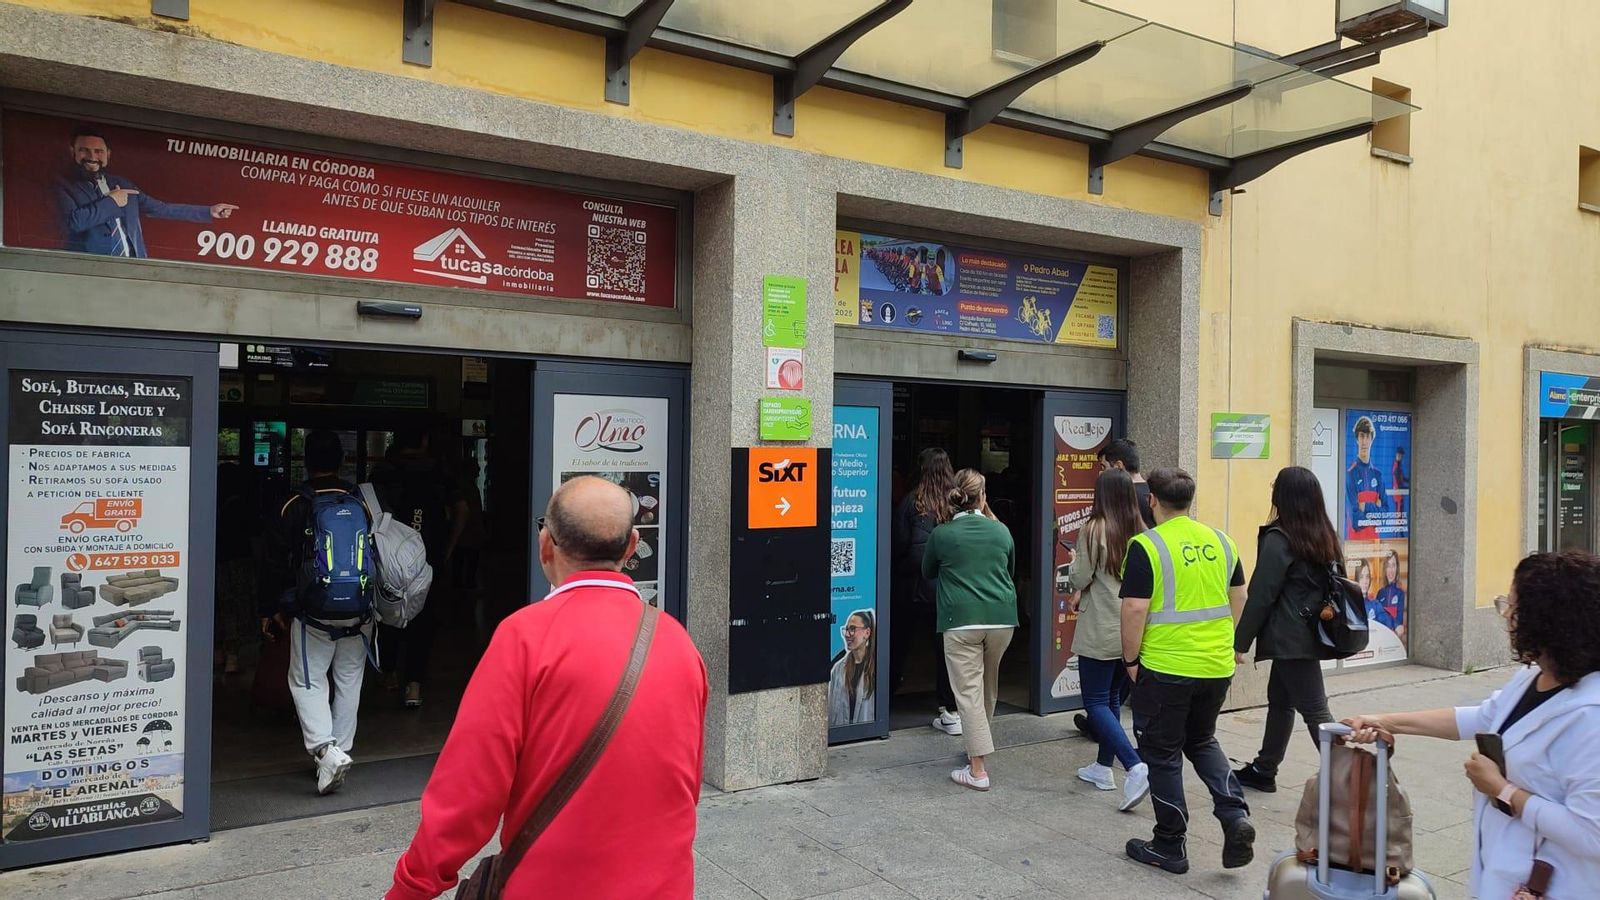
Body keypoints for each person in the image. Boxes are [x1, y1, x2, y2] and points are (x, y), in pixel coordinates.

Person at [387, 476, 708, 900]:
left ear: (546, 545)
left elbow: (466, 794)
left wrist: (411, 888)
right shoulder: (678, 641)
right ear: (632, 547)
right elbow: (686, 782)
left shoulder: (524, 638)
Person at [1344, 551, 1600, 900]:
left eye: (1514, 605)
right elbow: (1478, 717)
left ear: (1549, 620)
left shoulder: (1591, 716)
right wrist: (1384, 720)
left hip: (1555, 887)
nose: (1508, 614)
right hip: (1504, 873)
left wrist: (1504, 790)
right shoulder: (1532, 678)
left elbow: (1592, 834)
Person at [1119, 467, 1253, 874]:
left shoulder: (1147, 546)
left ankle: (1169, 844)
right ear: (1189, 501)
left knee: (1162, 753)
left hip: (1166, 666)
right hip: (1215, 666)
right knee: (1201, 739)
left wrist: (1130, 660)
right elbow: (1239, 596)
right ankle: (1234, 816)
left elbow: (1134, 608)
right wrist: (1227, 645)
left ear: (1152, 501)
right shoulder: (1222, 541)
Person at [259, 430, 370, 795]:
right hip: (358, 611)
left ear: (306, 460)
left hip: (314, 614)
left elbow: (273, 561)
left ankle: (325, 749)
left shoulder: (295, 502)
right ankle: (341, 750)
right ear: (341, 461)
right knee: (349, 680)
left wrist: (271, 607)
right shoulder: (360, 499)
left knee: (308, 680)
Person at [1232, 466, 1340, 793]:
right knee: (1280, 701)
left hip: (1291, 637)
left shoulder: (1281, 538)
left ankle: (1348, 778)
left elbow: (1263, 594)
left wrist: (1241, 641)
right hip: (1309, 632)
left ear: (1284, 495)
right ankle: (1265, 769)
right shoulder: (1323, 534)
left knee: (1315, 709)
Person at [922, 469, 1018, 791]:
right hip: (1002, 618)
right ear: (983, 496)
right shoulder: (1001, 531)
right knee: (987, 689)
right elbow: (1010, 568)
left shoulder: (943, 533)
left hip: (961, 620)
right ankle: (977, 752)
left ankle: (978, 770)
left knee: (968, 694)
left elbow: (927, 569)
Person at [1065, 467, 1151, 811]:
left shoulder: (1093, 530)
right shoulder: (1141, 530)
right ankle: (1103, 768)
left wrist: (1074, 562)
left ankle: (1134, 765)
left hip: (1101, 626)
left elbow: (1079, 577)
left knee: (1095, 702)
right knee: (1113, 697)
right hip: (1131, 628)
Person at [371, 427, 467, 709]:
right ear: (424, 440)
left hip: (388, 561)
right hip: (429, 560)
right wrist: (448, 547)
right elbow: (463, 510)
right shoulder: (440, 471)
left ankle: (388, 672)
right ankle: (414, 684)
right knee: (424, 621)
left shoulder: (383, 472)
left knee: (387, 613)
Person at [55, 126, 238, 257]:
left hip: (133, 269)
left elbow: (161, 209)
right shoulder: (62, 185)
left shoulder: (122, 183)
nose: (92, 157)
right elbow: (72, 223)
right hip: (88, 271)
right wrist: (111, 202)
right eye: (84, 150)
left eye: (98, 151)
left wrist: (209, 211)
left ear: (108, 154)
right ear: (73, 152)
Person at [891, 448, 962, 735]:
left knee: (899, 642)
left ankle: (884, 698)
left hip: (912, 586)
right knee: (946, 649)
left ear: (921, 469)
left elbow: (900, 546)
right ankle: (949, 707)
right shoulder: (958, 503)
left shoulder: (911, 502)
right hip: (947, 589)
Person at [827, 609, 876, 727]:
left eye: (853, 629)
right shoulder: (838, 669)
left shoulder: (876, 667)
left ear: (867, 633)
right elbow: (830, 708)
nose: (847, 634)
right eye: (847, 629)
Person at [1099, 438, 1156, 528]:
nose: (1100, 473)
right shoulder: (1156, 493)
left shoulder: (1120, 497)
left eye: (1103, 467)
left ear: (1118, 466)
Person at [1345, 416, 1386, 539]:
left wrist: (1365, 506)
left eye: (1367, 436)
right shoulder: (1350, 474)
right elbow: (1355, 521)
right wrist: (1375, 508)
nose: (1364, 441)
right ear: (1357, 439)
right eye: (1362, 436)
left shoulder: (1378, 475)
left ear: (1372, 439)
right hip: (1355, 544)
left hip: (1375, 545)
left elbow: (1384, 514)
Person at [1373, 548, 1407, 641]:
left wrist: (1395, 626)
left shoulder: (1401, 592)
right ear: (1385, 568)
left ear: (1397, 568)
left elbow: (1399, 621)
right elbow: (1377, 617)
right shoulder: (1380, 593)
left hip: (1394, 637)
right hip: (1381, 636)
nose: (1391, 570)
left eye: (1393, 565)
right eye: (1388, 566)